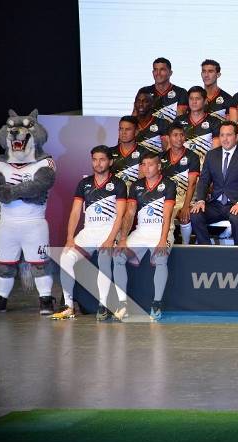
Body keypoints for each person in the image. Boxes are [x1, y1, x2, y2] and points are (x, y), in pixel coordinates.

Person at [54, 146, 126, 320]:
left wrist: (110, 239)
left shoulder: (118, 184)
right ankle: (68, 306)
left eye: (102, 159)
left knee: (104, 258)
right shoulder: (84, 183)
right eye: (94, 159)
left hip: (108, 231)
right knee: (66, 257)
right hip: (88, 231)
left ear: (110, 161)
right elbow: (75, 212)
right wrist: (70, 238)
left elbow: (120, 216)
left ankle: (103, 305)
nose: (98, 163)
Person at [113, 153, 176, 322]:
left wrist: (163, 239)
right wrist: (124, 238)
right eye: (143, 164)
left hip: (162, 230)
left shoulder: (169, 185)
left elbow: (167, 214)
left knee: (162, 259)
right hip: (141, 232)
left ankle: (156, 303)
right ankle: (122, 304)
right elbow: (130, 212)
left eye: (151, 164)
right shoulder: (136, 185)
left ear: (159, 166)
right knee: (118, 256)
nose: (146, 168)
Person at [190, 122, 238, 246]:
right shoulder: (211, 155)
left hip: (235, 203)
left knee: (237, 219)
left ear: (237, 137)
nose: (225, 139)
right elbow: (204, 180)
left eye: (229, 135)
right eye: (222, 135)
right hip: (216, 204)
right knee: (195, 215)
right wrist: (200, 200)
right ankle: (206, 250)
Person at [160, 124, 200, 245]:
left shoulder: (192, 156)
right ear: (168, 138)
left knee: (185, 216)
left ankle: (185, 244)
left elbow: (192, 184)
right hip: (168, 198)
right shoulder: (161, 157)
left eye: (182, 135)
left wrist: (186, 207)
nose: (179, 138)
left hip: (187, 198)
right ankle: (164, 242)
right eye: (175, 135)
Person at [171, 86, 222, 161]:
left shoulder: (214, 122)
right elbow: (172, 146)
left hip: (205, 167)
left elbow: (216, 151)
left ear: (205, 101)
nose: (194, 102)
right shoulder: (178, 120)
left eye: (197, 99)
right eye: (191, 99)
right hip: (183, 166)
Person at [135, 57, 187, 122]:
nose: (158, 73)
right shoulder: (144, 91)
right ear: (152, 72)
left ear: (170, 73)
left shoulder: (181, 92)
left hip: (170, 131)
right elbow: (135, 116)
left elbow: (180, 119)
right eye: (155, 69)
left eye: (162, 69)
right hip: (147, 131)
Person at [110, 116, 148, 185]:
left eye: (128, 129)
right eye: (121, 129)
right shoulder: (109, 152)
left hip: (136, 194)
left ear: (136, 132)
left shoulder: (145, 153)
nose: (123, 132)